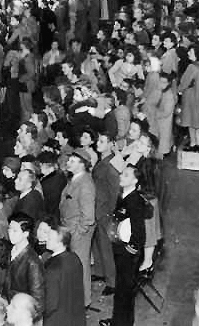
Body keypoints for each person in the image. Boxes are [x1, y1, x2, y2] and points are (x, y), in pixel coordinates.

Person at [99, 164, 148, 326]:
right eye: (122, 173)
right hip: (121, 247)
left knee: (124, 291)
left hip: (127, 251)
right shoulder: (125, 195)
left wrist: (131, 248)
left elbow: (139, 229)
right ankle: (121, 321)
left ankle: (120, 323)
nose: (121, 176)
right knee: (122, 289)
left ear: (135, 180)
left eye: (126, 175)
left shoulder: (134, 200)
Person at [59, 148, 96, 307]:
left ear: (82, 165)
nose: (68, 163)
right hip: (70, 228)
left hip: (78, 231)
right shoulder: (75, 179)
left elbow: (88, 217)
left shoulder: (85, 184)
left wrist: (77, 233)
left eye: (73, 161)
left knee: (81, 266)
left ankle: (83, 302)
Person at [92, 131, 120, 296]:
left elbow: (115, 191)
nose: (98, 143)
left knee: (106, 247)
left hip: (104, 212)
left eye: (102, 141)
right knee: (98, 244)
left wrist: (110, 212)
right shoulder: (102, 161)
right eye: (99, 140)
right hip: (97, 209)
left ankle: (112, 281)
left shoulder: (111, 165)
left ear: (111, 144)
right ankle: (100, 272)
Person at [3, 213, 44, 320]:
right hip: (9, 310)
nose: (10, 233)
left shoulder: (32, 261)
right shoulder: (10, 251)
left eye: (15, 231)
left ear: (26, 233)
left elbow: (38, 299)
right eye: (9, 229)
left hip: (22, 315)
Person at [42, 224, 85, 326]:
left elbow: (51, 302)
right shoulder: (75, 258)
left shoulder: (53, 268)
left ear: (60, 242)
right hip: (75, 315)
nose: (46, 239)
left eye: (50, 238)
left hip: (56, 320)